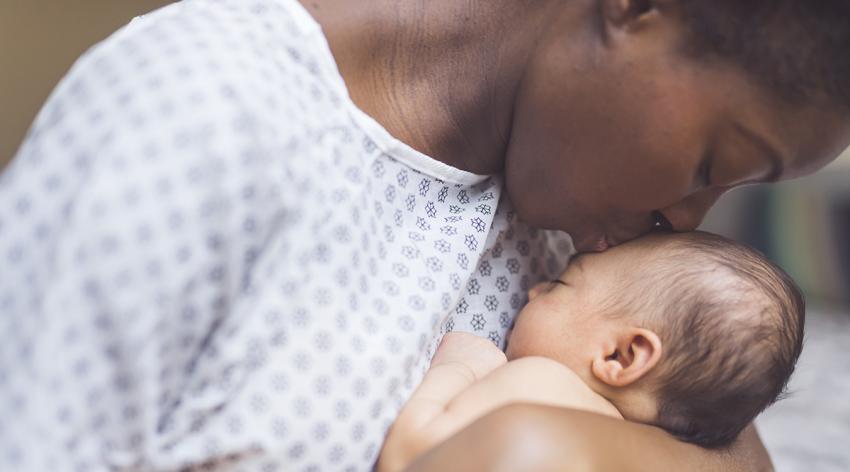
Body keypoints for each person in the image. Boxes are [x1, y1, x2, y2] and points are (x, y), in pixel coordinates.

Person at [0, 0, 847, 469]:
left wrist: (544, 446)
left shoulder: (580, 223)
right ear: (635, 10)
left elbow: (739, 458)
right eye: (710, 165)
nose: (686, 223)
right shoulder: (202, 114)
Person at [378, 231, 804, 471]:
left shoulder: (543, 384)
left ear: (621, 357)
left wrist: (459, 367)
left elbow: (408, 454)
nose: (535, 288)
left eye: (561, 284)